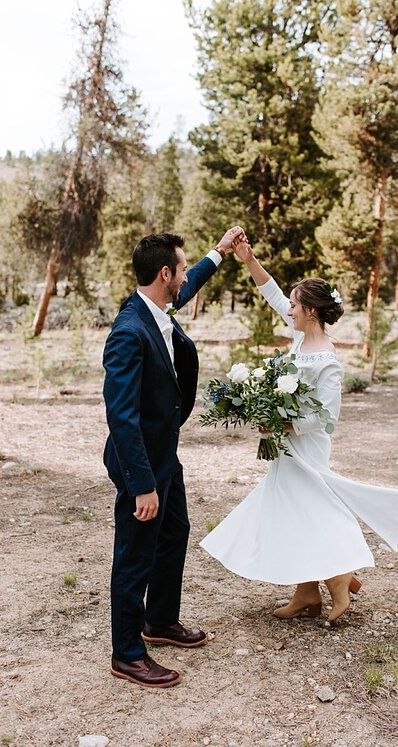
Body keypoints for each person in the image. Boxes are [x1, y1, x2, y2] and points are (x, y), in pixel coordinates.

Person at [200, 236, 398, 622]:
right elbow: (273, 294)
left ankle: (340, 579)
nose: (287, 309)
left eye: (294, 305)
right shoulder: (298, 338)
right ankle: (307, 591)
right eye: (289, 304)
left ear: (309, 310)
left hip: (306, 446)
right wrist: (249, 260)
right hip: (285, 445)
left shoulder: (327, 359)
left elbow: (328, 416)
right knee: (290, 513)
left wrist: (283, 422)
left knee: (313, 512)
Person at [102, 227, 243, 689]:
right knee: (134, 555)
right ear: (165, 274)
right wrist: (142, 484)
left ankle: (159, 621)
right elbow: (121, 417)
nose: (185, 277)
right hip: (140, 461)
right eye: (180, 269)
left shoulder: (156, 307)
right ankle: (127, 655)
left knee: (175, 529)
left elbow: (192, 283)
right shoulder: (128, 331)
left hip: (166, 452)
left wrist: (218, 254)